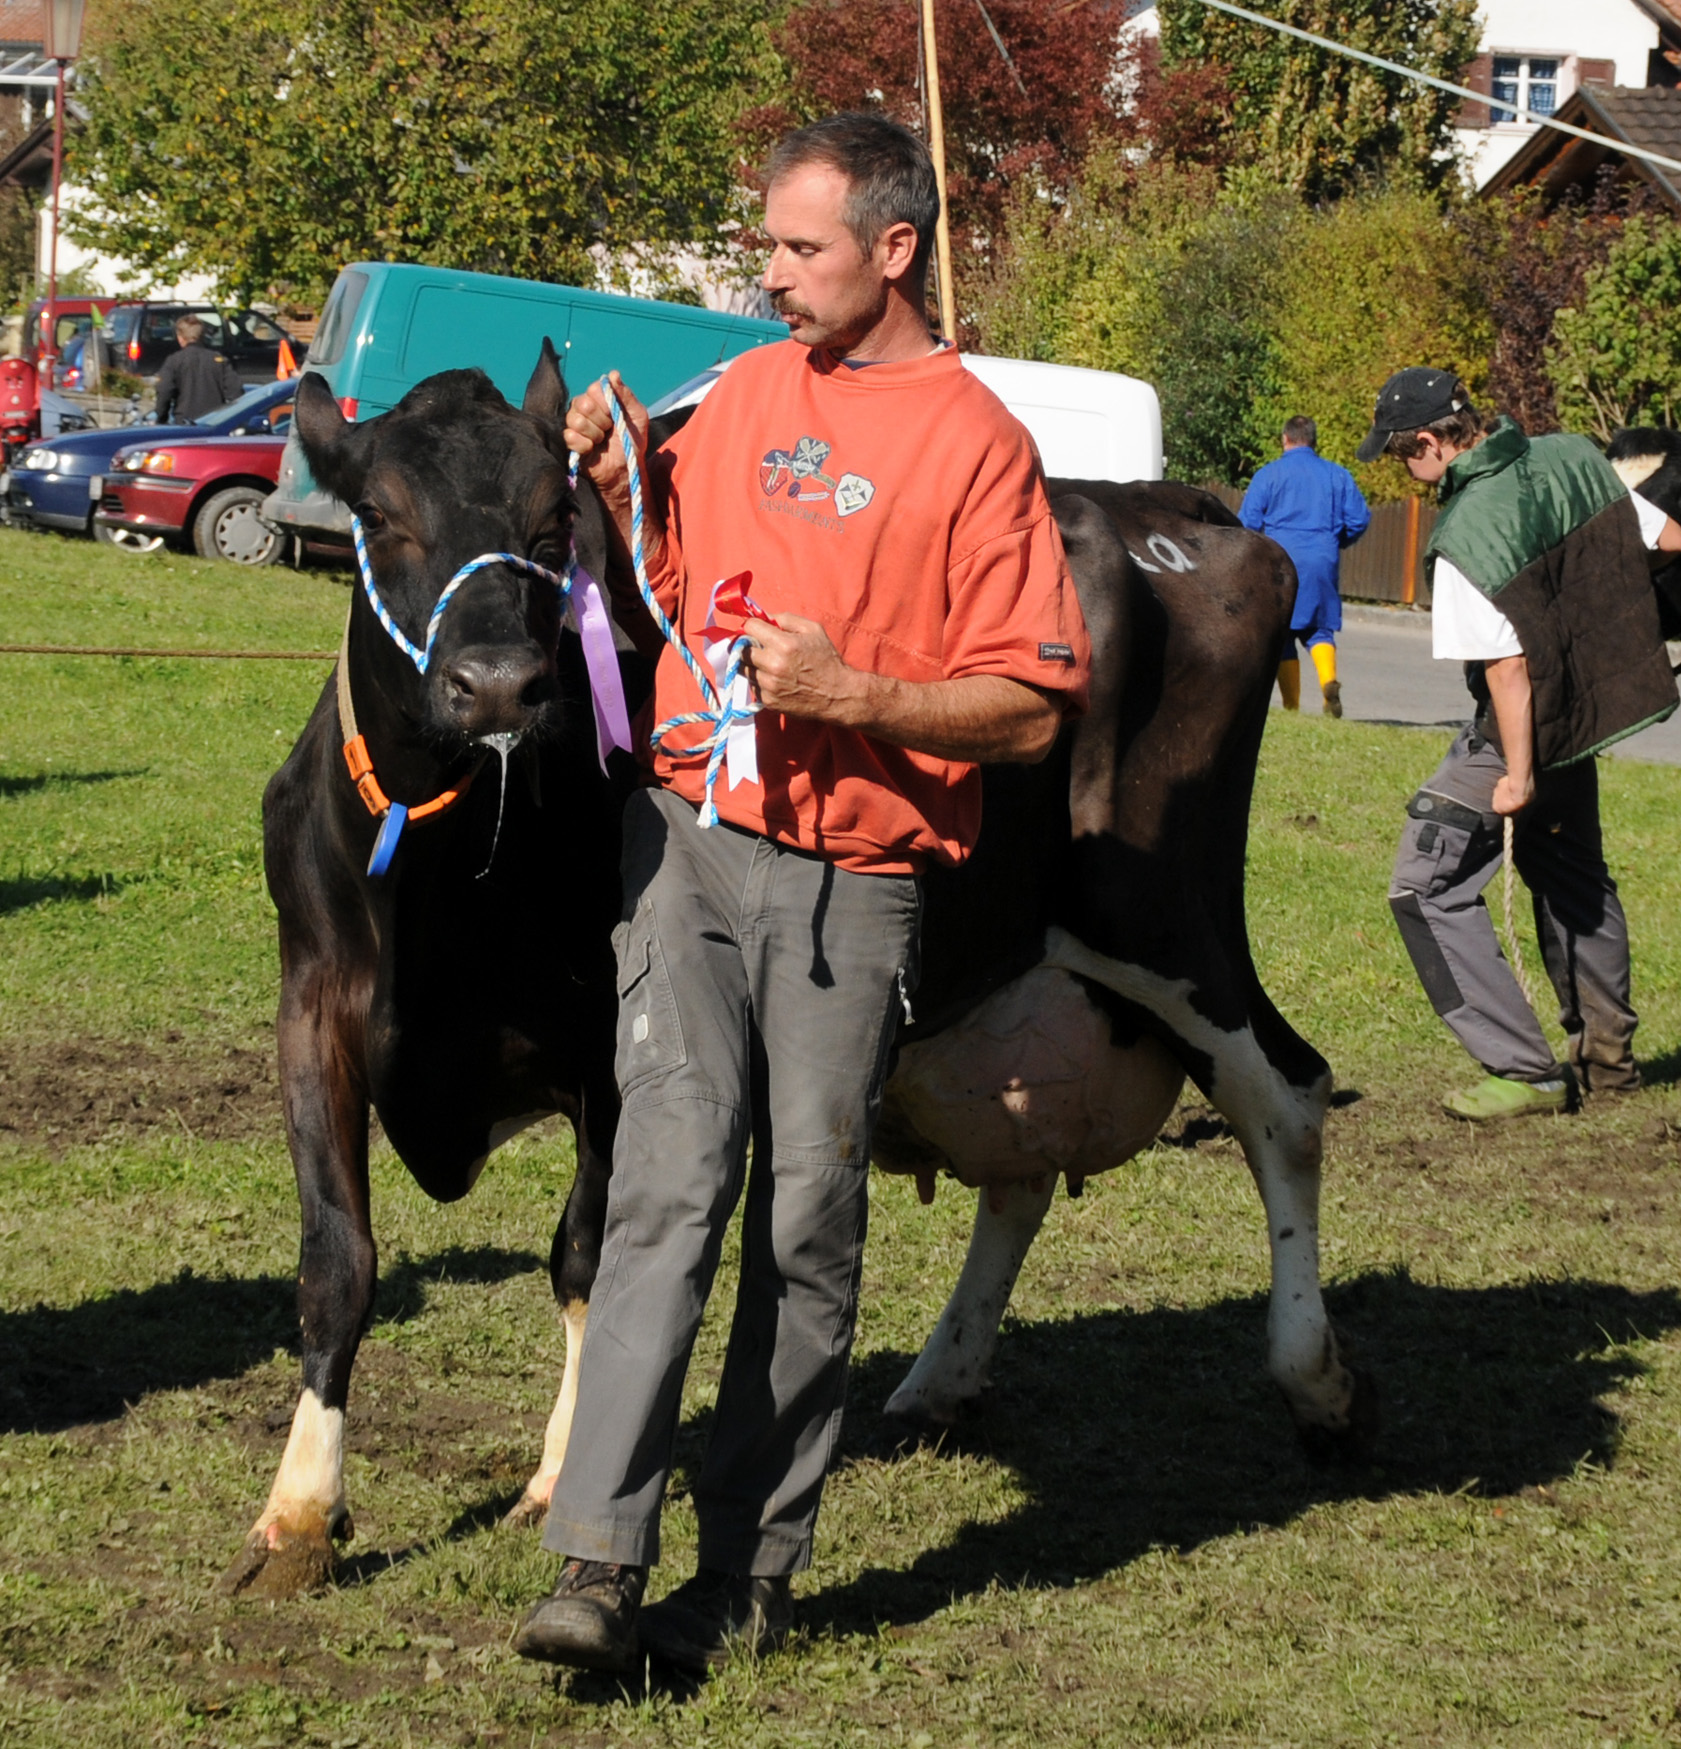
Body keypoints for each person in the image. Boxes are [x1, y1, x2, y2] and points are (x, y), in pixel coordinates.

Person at [511, 109, 1089, 1675]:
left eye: (796, 247)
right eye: (766, 243)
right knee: (665, 1185)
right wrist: (620, 479)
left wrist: (857, 697)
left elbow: (1033, 706)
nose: (766, 275)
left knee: (805, 1220)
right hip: (687, 848)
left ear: (893, 250)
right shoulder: (748, 392)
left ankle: (746, 1576)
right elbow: (672, 592)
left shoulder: (976, 443)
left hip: (856, 884)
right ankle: (598, 1560)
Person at [1371, 369, 1681, 1122]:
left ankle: (1524, 1068)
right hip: (1584, 720)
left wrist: (1516, 774)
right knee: (1573, 882)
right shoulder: (1574, 456)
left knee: (1423, 886)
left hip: (1522, 735)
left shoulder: (1465, 534)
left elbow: (1508, 668)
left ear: (1430, 442)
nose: (1403, 470)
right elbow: (1671, 540)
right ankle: (1609, 1067)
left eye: (1400, 454)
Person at [1239, 414, 1370, 717]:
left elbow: (1247, 523)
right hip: (1322, 559)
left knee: (1282, 634)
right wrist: (1336, 542)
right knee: (1319, 630)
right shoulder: (1338, 475)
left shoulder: (1268, 475)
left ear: (1285, 439)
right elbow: (1359, 519)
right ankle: (1328, 684)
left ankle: (1291, 707)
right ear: (1313, 440)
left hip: (1279, 560)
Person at [154, 315, 240, 423]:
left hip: (184, 422)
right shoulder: (219, 360)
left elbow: (164, 391)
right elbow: (236, 392)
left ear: (180, 337)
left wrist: (161, 418)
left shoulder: (174, 361)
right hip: (214, 422)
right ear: (202, 336)